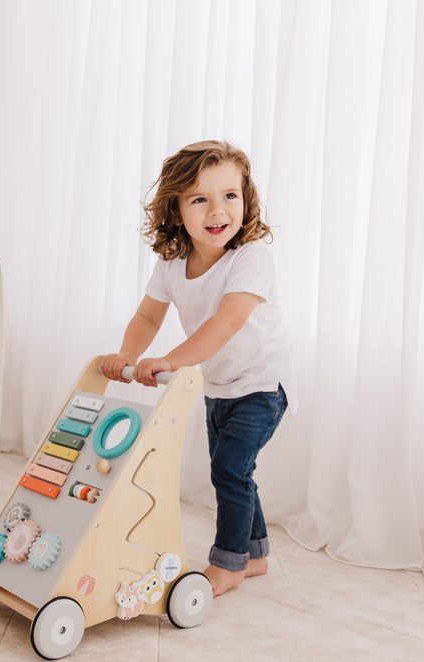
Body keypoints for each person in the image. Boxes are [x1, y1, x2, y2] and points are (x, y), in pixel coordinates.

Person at [100, 140, 296, 597]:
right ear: (175, 210)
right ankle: (257, 554)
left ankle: (228, 563)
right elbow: (148, 316)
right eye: (199, 199)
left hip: (261, 385)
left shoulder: (250, 259)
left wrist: (170, 360)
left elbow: (225, 324)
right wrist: (128, 355)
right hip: (219, 386)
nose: (217, 210)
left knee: (229, 469)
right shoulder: (171, 263)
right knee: (233, 469)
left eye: (230, 195)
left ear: (246, 200)